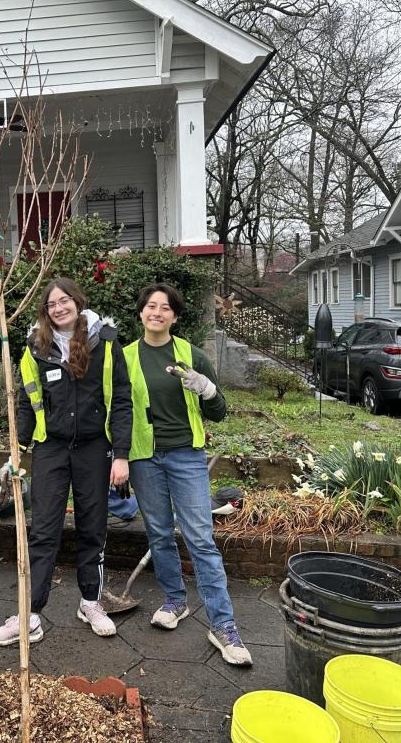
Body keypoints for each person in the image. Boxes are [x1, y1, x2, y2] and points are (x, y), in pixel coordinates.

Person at [0, 277, 132, 646]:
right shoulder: (36, 348)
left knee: (92, 526)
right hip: (50, 448)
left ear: (77, 302)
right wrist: (16, 448)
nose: (59, 308)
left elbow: (123, 400)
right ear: (45, 311)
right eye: (52, 304)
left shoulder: (107, 343)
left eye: (65, 300)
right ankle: (29, 614)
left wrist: (123, 456)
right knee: (44, 529)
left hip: (95, 448)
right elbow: (24, 400)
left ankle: (91, 602)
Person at [125, 283, 252, 666]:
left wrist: (209, 390)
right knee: (160, 534)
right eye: (151, 306)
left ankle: (223, 625)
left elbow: (219, 412)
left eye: (165, 308)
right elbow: (116, 411)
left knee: (200, 538)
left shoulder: (192, 355)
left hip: (186, 457)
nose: (157, 312)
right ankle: (175, 601)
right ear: (142, 312)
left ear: (174, 316)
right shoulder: (125, 357)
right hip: (143, 458)